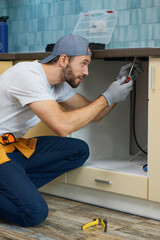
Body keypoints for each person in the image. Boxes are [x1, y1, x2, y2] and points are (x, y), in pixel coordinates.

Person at [0, 34, 142, 227]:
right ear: (63, 59)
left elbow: (95, 114)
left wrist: (117, 89)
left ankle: (15, 188)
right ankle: (18, 192)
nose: (87, 71)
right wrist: (106, 97)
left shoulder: (58, 86)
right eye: (83, 63)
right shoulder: (28, 75)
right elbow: (63, 126)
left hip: (13, 148)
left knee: (78, 150)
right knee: (34, 212)